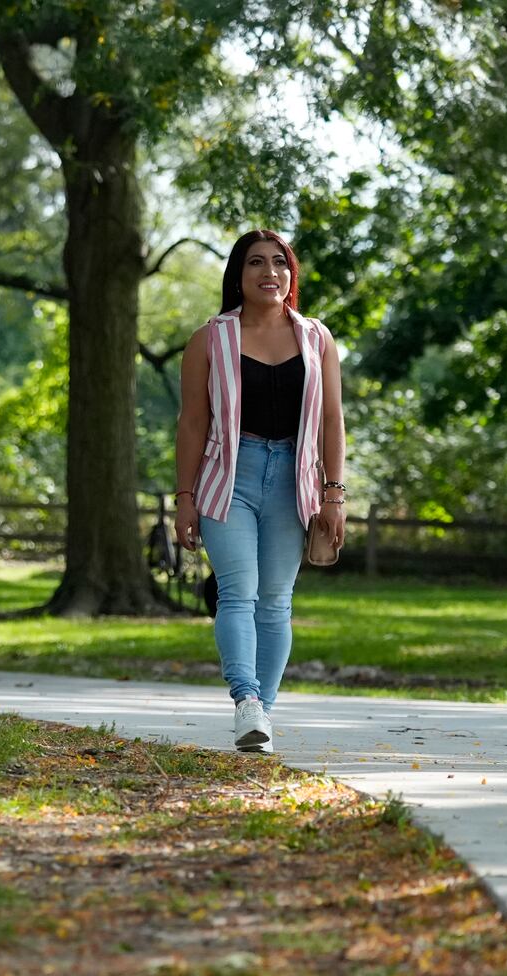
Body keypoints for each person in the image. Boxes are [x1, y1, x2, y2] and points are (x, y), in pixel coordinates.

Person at [172, 230, 347, 753]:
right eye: (256, 263)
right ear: (238, 275)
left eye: (279, 263)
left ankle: (260, 718)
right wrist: (185, 499)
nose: (269, 272)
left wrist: (334, 495)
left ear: (291, 276)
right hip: (230, 477)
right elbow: (191, 424)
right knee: (238, 592)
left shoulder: (317, 338)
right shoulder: (210, 339)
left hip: (296, 480)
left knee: (275, 602)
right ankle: (246, 700)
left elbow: (332, 421)